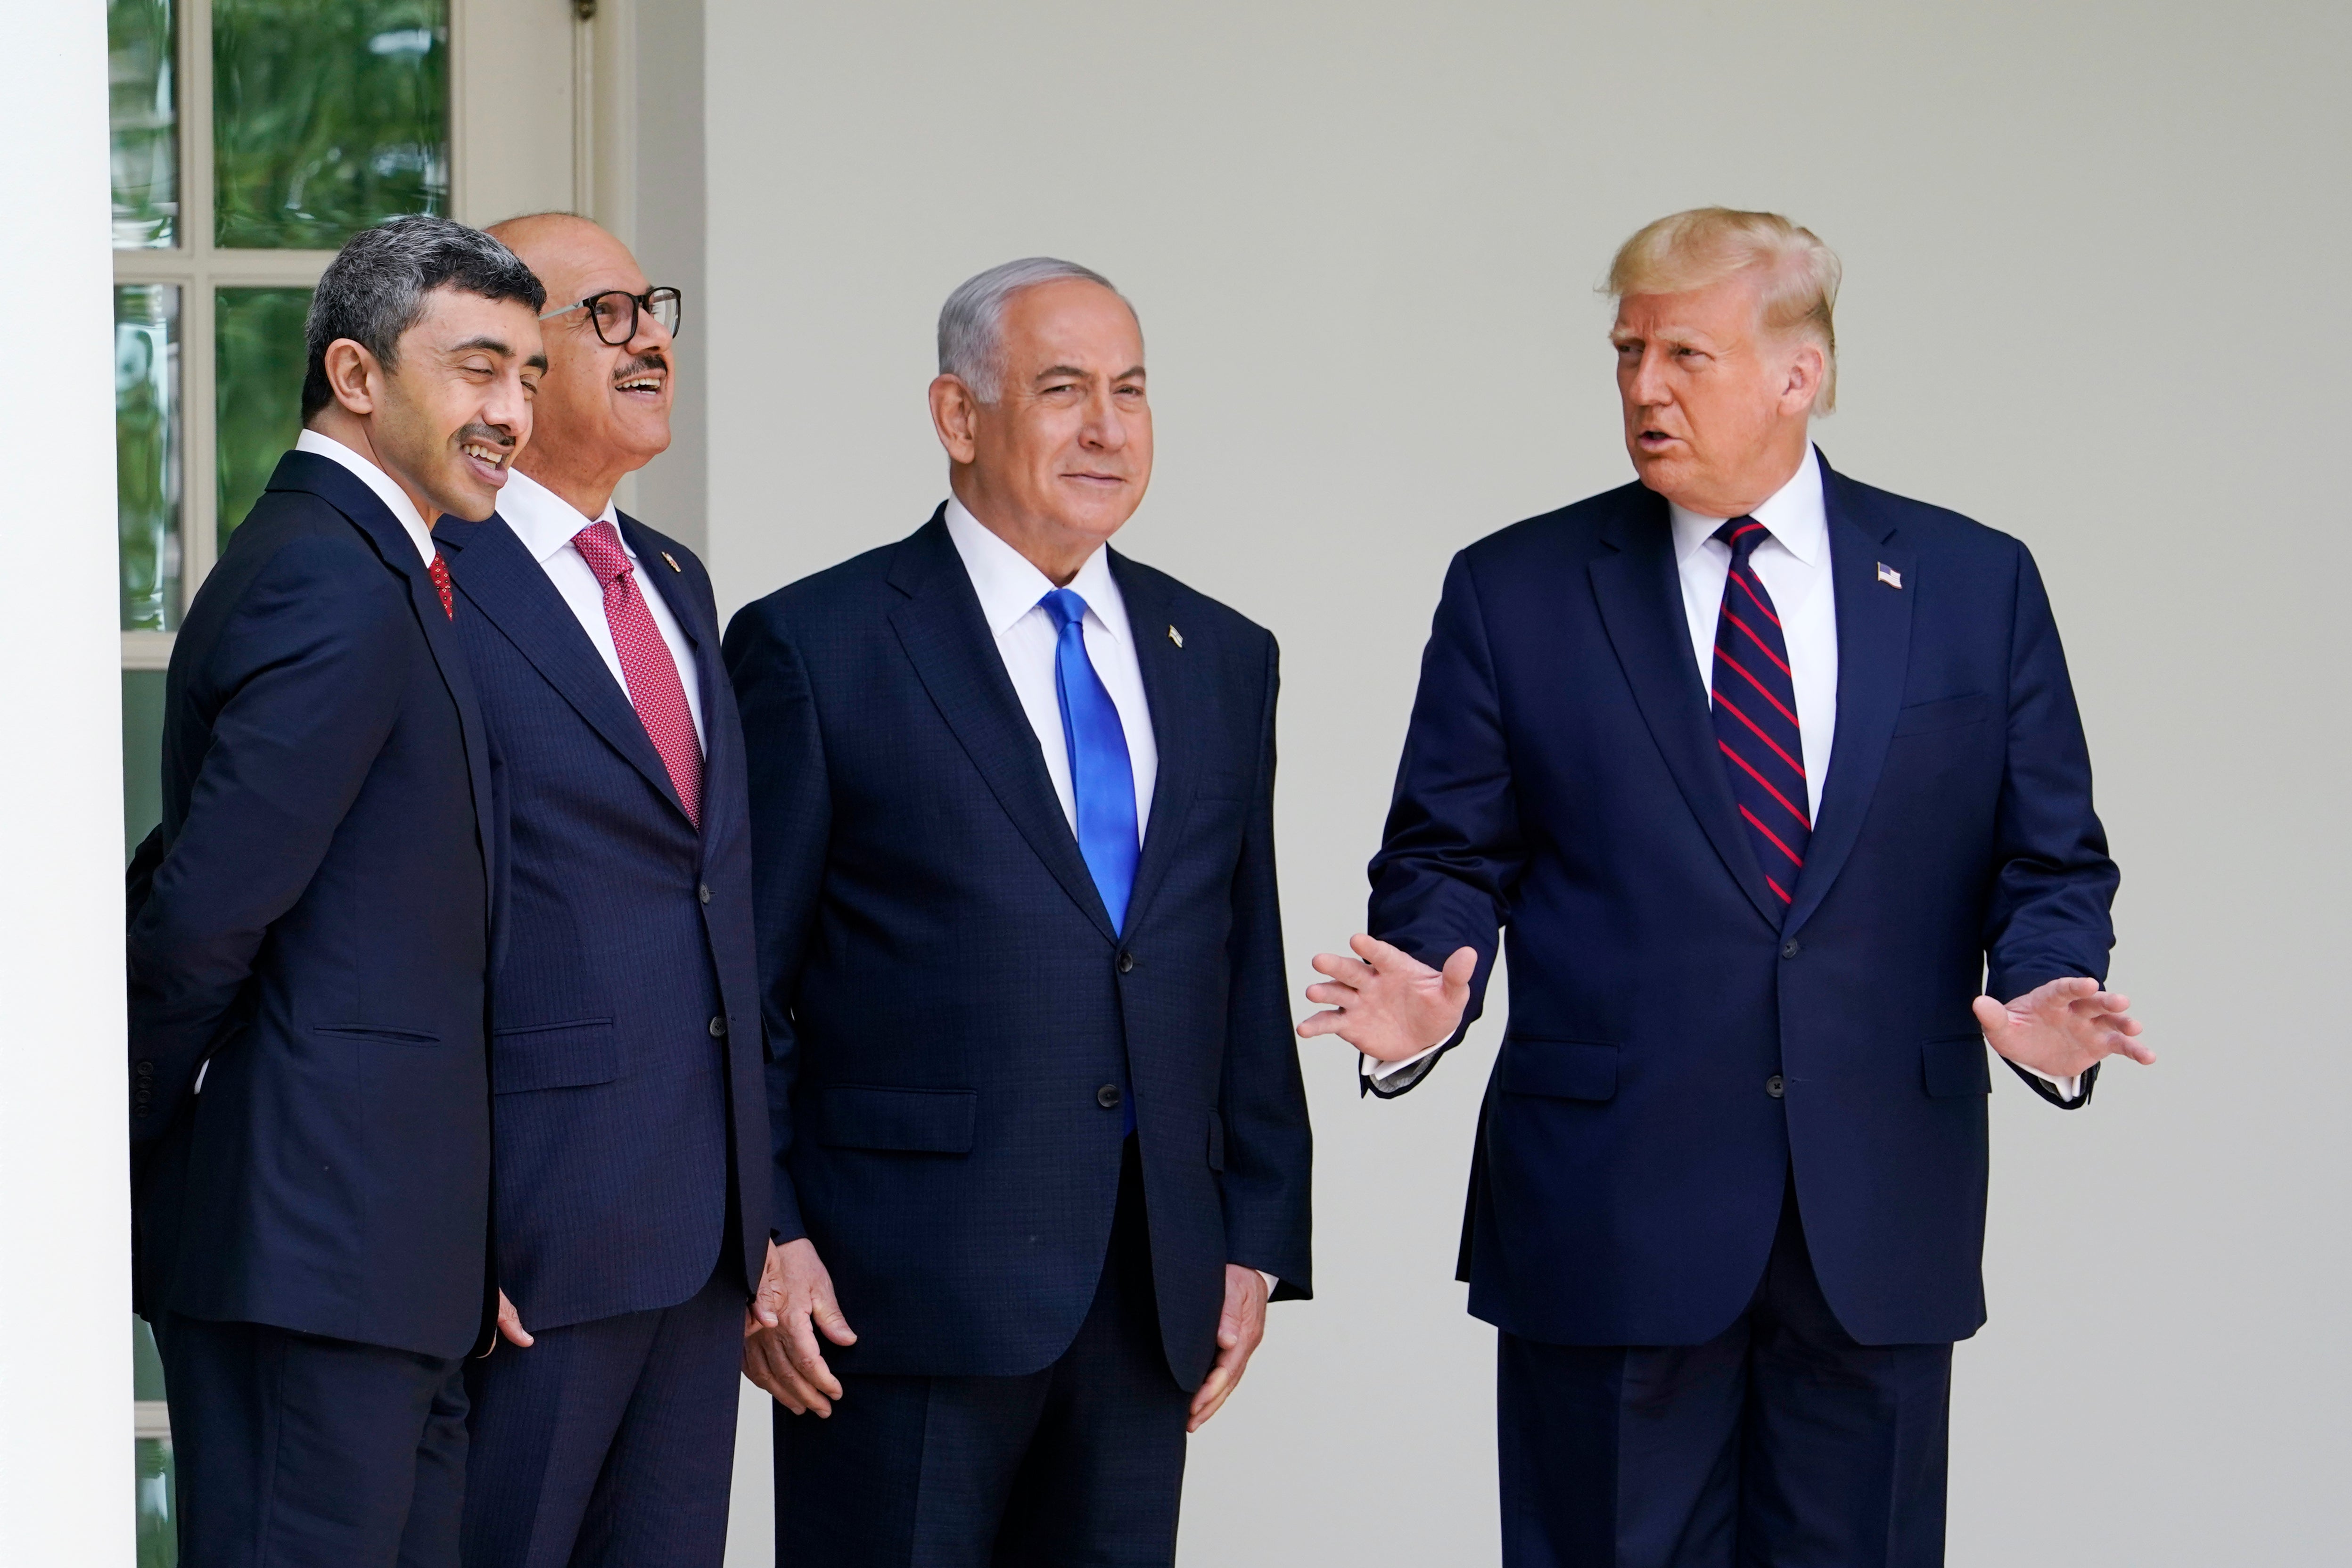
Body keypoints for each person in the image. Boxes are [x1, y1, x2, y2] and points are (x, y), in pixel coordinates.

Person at [1298, 208, 2152, 1567]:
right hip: (1607, 1209)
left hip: (1876, 1212)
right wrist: (1426, 985)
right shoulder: (1515, 590)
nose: (1644, 388)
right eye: (1629, 352)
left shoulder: (1972, 585)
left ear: (1796, 374)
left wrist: (2048, 979)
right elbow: (1446, 857)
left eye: (1685, 354)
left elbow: (2049, 857)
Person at [724, 257, 1313, 1566]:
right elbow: (740, 978)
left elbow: (1238, 957)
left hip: (1150, 1281)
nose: (1108, 427)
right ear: (958, 415)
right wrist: (765, 1235)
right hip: (894, 1291)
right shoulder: (817, 646)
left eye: (1131, 391)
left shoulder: (1221, 656)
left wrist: (1254, 1234)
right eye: (1063, 390)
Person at [124, 215, 544, 1567]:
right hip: (310, 1264)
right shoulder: (329, 577)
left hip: (382, 1268)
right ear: (356, 376)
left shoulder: (386, 569)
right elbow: (204, 917)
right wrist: (103, 1157)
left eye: (529, 376)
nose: (514, 412)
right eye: (479, 368)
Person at [435, 213, 768, 1568]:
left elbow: (709, 898)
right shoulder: (438, 571)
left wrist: (769, 1213)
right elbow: (415, 926)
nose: (653, 341)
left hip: (699, 1236)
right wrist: (454, 1218)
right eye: (609, 315)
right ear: (511, 367)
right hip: (532, 1240)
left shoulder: (675, 579)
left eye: (656, 308)